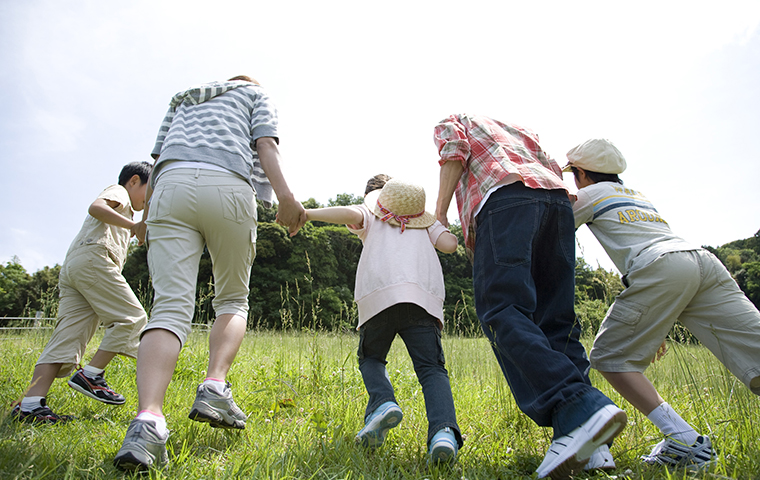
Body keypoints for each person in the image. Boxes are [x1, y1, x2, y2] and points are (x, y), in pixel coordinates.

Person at [113, 75, 306, 471]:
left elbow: (158, 160)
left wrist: (147, 219)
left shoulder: (183, 98)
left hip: (169, 188)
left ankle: (148, 421)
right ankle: (215, 385)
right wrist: (286, 197)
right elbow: (265, 144)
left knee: (167, 308)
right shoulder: (256, 93)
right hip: (228, 186)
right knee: (233, 298)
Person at [433, 114, 627, 479]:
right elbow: (553, 168)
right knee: (556, 322)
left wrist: (441, 212)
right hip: (556, 205)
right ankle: (588, 443)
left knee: (503, 309)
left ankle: (579, 404)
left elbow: (454, 153)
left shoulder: (454, 120)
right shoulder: (524, 133)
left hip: (504, 200)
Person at [564, 138, 760, 470]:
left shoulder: (587, 195)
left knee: (611, 357)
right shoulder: (637, 196)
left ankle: (684, 440)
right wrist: (658, 323)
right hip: (703, 263)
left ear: (580, 173)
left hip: (662, 268)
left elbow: (554, 231)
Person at [305, 176, 464, 464]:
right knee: (431, 370)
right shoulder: (426, 223)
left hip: (379, 297)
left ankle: (383, 403)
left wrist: (306, 214)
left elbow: (347, 213)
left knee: (372, 358)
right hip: (422, 301)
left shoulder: (371, 213)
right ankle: (443, 433)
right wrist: (441, 222)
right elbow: (450, 245)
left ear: (375, 198)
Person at [12, 162, 152, 424]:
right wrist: (132, 226)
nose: (149, 197)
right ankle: (92, 375)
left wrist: (135, 228)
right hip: (94, 260)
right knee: (132, 318)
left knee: (67, 337)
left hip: (77, 268)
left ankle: (30, 406)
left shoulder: (128, 212)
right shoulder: (120, 193)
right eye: (149, 188)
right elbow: (96, 207)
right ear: (134, 181)